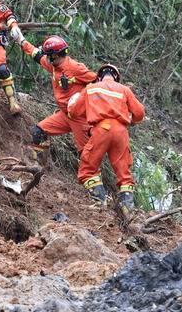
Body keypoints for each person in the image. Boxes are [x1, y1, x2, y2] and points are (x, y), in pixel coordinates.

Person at [68, 64, 145, 216]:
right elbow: (140, 113)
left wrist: (76, 105)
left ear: (100, 76)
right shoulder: (124, 89)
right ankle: (127, 209)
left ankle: (100, 203)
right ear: (116, 77)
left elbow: (74, 112)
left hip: (102, 129)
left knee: (88, 169)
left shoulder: (91, 88)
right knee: (124, 173)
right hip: (121, 132)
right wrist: (131, 121)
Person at [19, 35, 96, 164]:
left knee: (87, 157)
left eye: (49, 55)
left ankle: (93, 182)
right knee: (37, 133)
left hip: (80, 118)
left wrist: (82, 95)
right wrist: (21, 41)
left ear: (55, 55)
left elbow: (99, 82)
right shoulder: (54, 66)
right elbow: (37, 55)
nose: (47, 58)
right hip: (65, 115)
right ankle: (37, 165)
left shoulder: (75, 68)